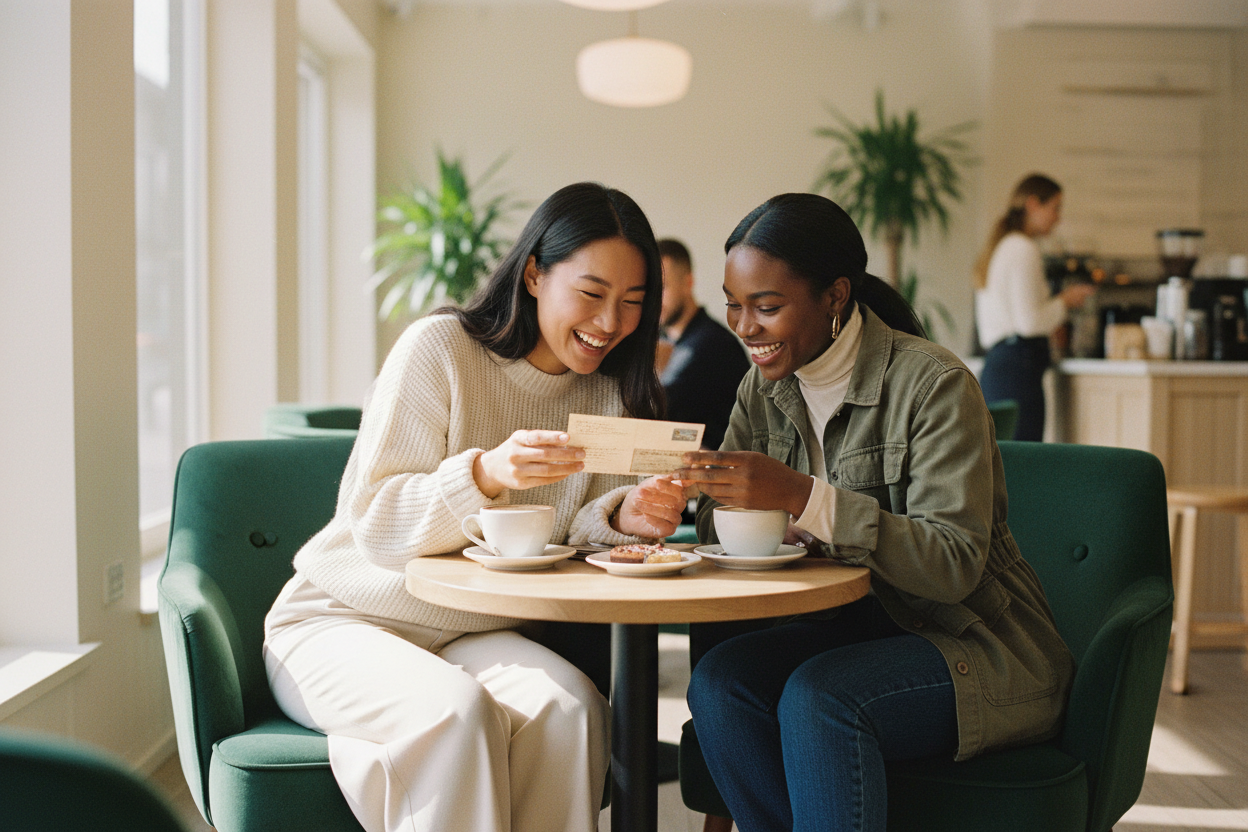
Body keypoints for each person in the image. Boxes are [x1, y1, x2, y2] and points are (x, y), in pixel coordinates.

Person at [262, 182, 687, 832]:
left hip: (472, 632)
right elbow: (375, 522)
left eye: (633, 303)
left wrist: (624, 517)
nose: (611, 323)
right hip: (342, 620)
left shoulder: (611, 393)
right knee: (456, 713)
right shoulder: (441, 350)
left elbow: (575, 531)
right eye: (593, 294)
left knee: (571, 709)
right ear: (536, 273)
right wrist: (485, 474)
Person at [675, 193, 1076, 832]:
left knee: (819, 700)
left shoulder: (933, 384)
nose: (744, 327)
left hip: (969, 642)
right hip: (853, 630)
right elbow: (715, 521)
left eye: (767, 307)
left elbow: (954, 567)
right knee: (722, 685)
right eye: (734, 304)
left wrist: (802, 498)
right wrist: (701, 499)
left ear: (835, 297)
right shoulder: (763, 384)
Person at [974, 173, 1095, 441]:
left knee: (1005, 465)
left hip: (1000, 368)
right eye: (1055, 207)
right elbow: (1029, 323)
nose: (1058, 217)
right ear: (1032, 204)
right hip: (1017, 372)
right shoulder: (1022, 248)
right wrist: (1065, 300)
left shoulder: (1004, 246)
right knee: (1023, 464)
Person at [655, 238, 751, 452]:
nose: (654, 300)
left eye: (663, 287)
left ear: (688, 283)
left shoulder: (713, 344)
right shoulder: (664, 341)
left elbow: (659, 414)